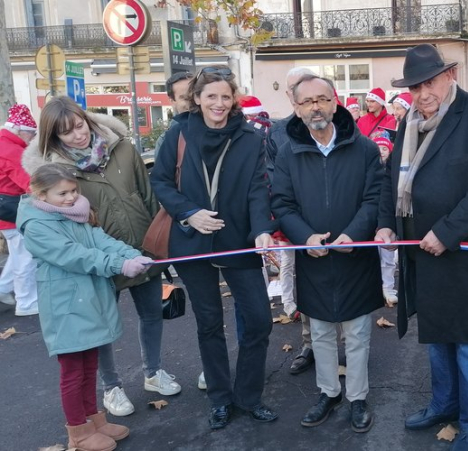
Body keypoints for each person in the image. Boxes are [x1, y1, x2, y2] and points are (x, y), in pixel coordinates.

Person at [375, 43, 468, 451]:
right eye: (415, 87)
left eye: (429, 82)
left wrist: (448, 232)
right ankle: (443, 404)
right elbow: (390, 180)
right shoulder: (408, 123)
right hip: (424, 251)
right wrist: (385, 224)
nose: (422, 94)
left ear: (449, 76)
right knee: (437, 338)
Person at [23, 96, 181, 418]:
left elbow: (147, 195)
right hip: (97, 259)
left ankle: (153, 371)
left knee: (151, 313)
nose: (78, 135)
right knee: (102, 326)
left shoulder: (121, 147)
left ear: (87, 119)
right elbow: (67, 231)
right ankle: (112, 386)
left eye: (80, 125)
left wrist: (159, 245)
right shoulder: (55, 172)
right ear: (54, 136)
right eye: (67, 132)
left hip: (139, 246)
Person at [149, 65, 277, 430]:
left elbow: (257, 189)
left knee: (259, 320)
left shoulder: (251, 137)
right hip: (192, 242)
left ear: (233, 99)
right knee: (209, 323)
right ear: (197, 99)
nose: (218, 103)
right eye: (211, 96)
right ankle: (220, 398)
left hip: (238, 241)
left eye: (225, 96)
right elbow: (160, 180)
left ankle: (248, 396)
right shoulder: (179, 134)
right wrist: (189, 214)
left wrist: (261, 231)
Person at [272, 74, 383, 433]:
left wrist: (354, 233)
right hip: (313, 256)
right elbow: (282, 204)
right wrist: (305, 237)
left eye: (322, 99)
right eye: (307, 102)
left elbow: (373, 198)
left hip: (355, 254)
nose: (315, 107)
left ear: (335, 102)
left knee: (357, 332)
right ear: (296, 108)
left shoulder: (363, 148)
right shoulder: (288, 152)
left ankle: (357, 396)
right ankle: (328, 391)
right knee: (319, 331)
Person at [18, 164, 150, 451]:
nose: (71, 197)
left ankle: (95, 420)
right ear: (40, 194)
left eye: (74, 190)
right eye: (62, 193)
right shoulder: (38, 226)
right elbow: (73, 255)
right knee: (73, 371)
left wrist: (132, 254)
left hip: (87, 300)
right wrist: (119, 265)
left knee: (90, 364)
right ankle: (78, 431)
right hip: (65, 305)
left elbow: (101, 240)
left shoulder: (73, 214)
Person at [266, 67, 318, 375]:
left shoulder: (341, 124)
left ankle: (347, 347)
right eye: (294, 88)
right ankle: (310, 344)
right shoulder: (277, 131)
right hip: (298, 225)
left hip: (334, 222)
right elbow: (275, 182)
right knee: (305, 285)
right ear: (289, 96)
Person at [0, 104, 38, 316]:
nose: (32, 138)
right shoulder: (12, 151)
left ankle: (3, 288)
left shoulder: (4, 144)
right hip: (14, 211)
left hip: (5, 210)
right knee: (26, 255)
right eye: (31, 133)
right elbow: (29, 183)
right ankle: (26, 302)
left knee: (18, 253)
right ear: (19, 130)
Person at [374, 136, 399, 306]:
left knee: (388, 257)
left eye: (384, 148)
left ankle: (389, 287)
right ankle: (378, 287)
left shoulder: (392, 171)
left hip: (387, 219)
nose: (381, 151)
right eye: (379, 148)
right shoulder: (370, 169)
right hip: (373, 219)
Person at [154, 71, 193, 159]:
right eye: (185, 98)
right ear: (172, 101)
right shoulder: (166, 140)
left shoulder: (219, 129)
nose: (192, 102)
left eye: (195, 95)